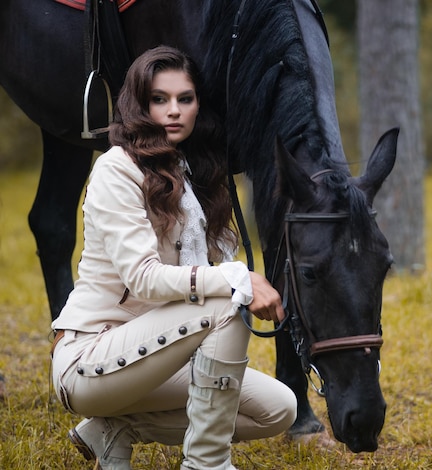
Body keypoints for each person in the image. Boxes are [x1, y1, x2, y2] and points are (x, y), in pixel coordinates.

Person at [50, 45, 297, 470]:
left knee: (279, 408)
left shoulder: (190, 171)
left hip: (160, 355)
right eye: (159, 99)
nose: (174, 110)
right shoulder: (117, 169)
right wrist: (236, 280)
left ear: (198, 104)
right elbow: (145, 278)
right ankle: (206, 463)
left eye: (185, 99)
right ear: (138, 105)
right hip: (91, 359)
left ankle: (114, 430)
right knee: (228, 295)